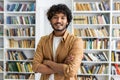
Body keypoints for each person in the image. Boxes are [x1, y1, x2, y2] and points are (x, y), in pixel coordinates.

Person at [32, 4, 84, 80]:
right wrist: (63, 65)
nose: (58, 21)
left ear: (67, 21)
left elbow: (71, 71)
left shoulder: (76, 41)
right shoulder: (43, 40)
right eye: (55, 17)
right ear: (50, 20)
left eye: (62, 18)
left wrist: (47, 62)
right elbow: (35, 66)